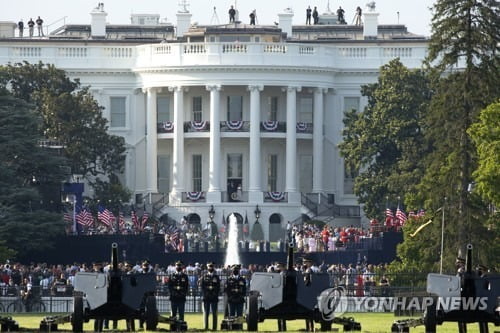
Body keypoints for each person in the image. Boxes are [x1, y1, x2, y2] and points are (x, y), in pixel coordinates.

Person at [200, 262, 221, 331]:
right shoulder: (204, 276)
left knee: (214, 313)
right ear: (207, 267)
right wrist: (206, 294)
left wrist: (214, 294)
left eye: (212, 266)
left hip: (214, 298)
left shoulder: (216, 277)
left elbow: (218, 287)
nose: (210, 268)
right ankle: (206, 327)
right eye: (209, 266)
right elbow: (202, 287)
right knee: (206, 313)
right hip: (206, 298)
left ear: (213, 267)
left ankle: (214, 328)